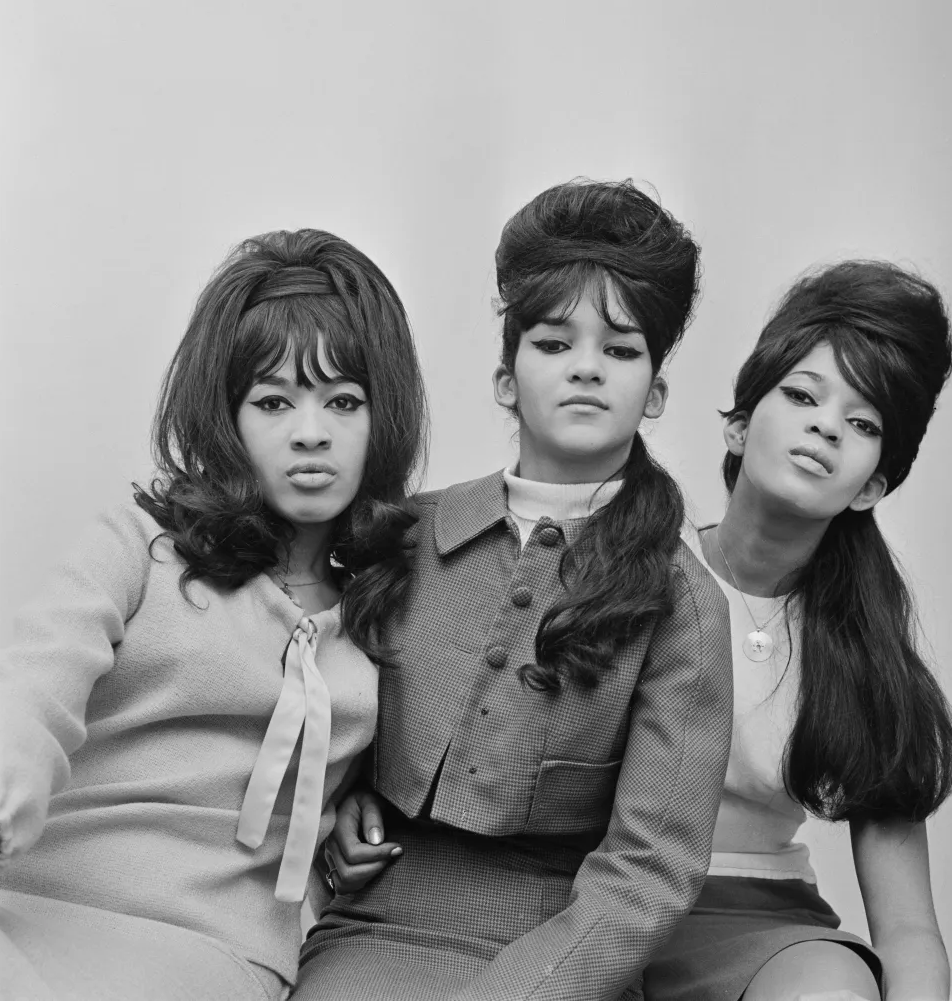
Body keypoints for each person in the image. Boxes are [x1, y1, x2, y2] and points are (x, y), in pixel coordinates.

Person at [292, 179, 735, 1001]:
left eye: (622, 350)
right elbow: (331, 705)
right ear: (506, 377)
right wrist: (340, 809)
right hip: (378, 923)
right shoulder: (405, 537)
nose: (588, 371)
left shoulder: (685, 608)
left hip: (564, 954)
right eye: (555, 343)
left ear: (656, 393)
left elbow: (650, 872)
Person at [0, 228, 428, 1000]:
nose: (310, 432)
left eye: (344, 401)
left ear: (380, 419)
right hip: (26, 906)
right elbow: (37, 680)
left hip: (211, 954)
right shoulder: (141, 546)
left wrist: (353, 811)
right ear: (226, 418)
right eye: (272, 401)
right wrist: (2, 780)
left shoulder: (394, 603)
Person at [642, 261, 952, 1001]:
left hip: (764, 929)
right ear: (739, 423)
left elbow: (910, 931)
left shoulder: (865, 650)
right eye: (802, 395)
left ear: (873, 485)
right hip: (600, 898)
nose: (826, 425)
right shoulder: (640, 573)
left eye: (862, 423)